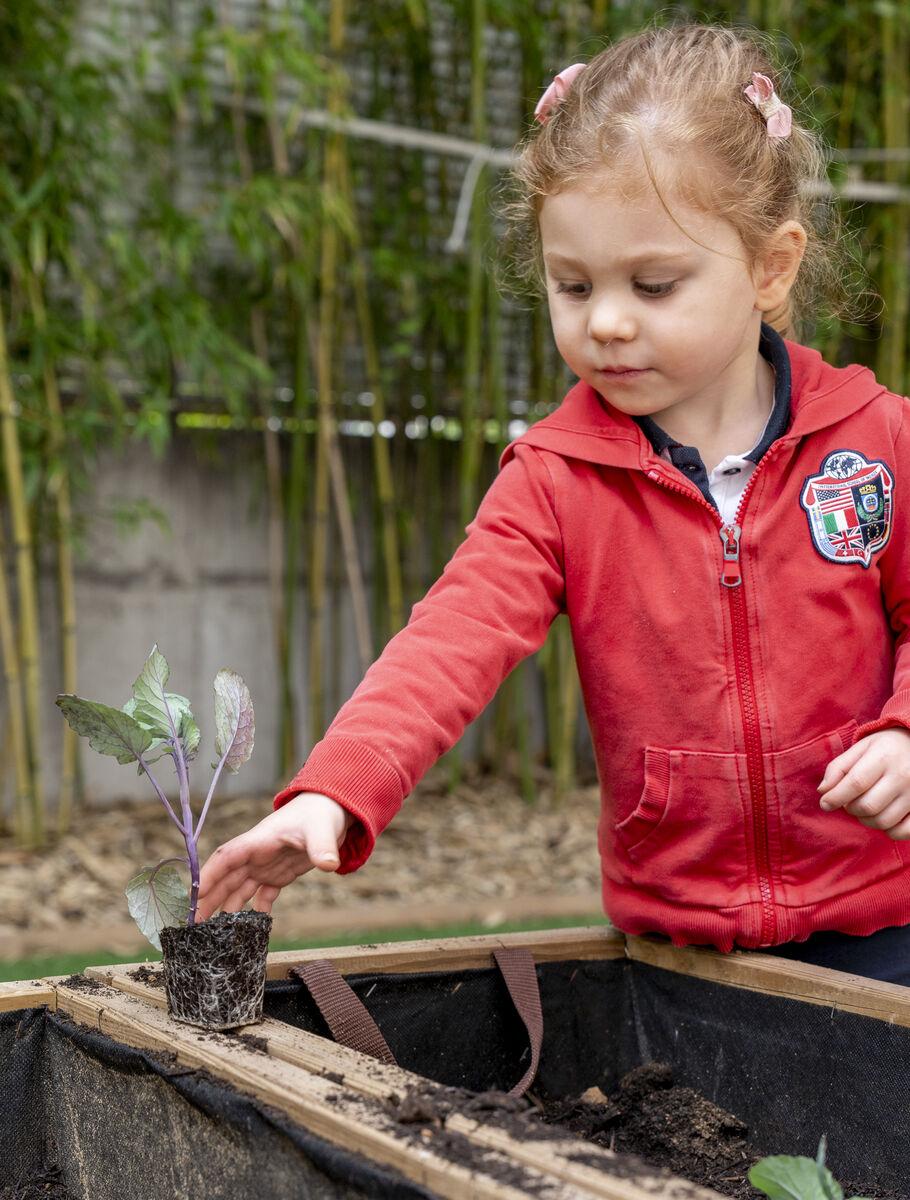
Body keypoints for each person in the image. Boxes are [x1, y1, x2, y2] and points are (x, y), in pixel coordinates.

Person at [197, 21, 910, 984]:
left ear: (771, 267)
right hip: (676, 955)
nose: (605, 321)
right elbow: (449, 641)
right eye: (573, 286)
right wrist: (332, 792)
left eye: (653, 285)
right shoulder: (555, 477)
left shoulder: (878, 438)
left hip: (886, 929)